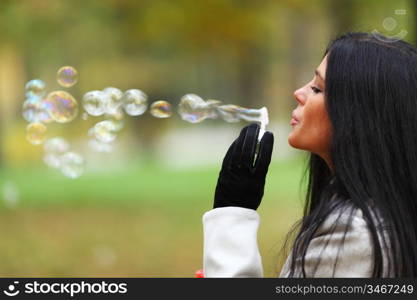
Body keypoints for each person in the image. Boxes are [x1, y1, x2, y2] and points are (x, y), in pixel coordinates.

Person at [202, 32, 417, 278]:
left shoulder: (356, 234)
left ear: (359, 115)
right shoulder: (379, 216)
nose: (298, 93)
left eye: (317, 88)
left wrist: (232, 215)